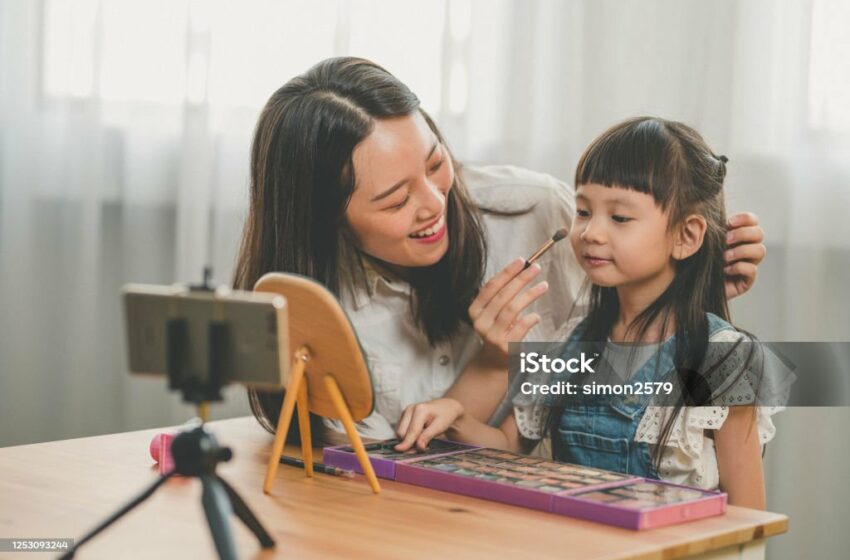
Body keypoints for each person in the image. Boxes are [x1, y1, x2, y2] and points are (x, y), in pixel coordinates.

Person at [233, 58, 766, 450]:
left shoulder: (543, 213)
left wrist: (696, 283)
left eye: (437, 163)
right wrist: (493, 363)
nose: (434, 202)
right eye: (396, 199)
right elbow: (408, 470)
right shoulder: (313, 309)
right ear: (325, 220)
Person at [433, 117, 777, 509]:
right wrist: (455, 418)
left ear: (686, 235)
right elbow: (510, 445)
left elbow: (748, 517)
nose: (590, 233)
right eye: (582, 211)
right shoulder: (571, 341)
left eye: (619, 218)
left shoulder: (724, 361)